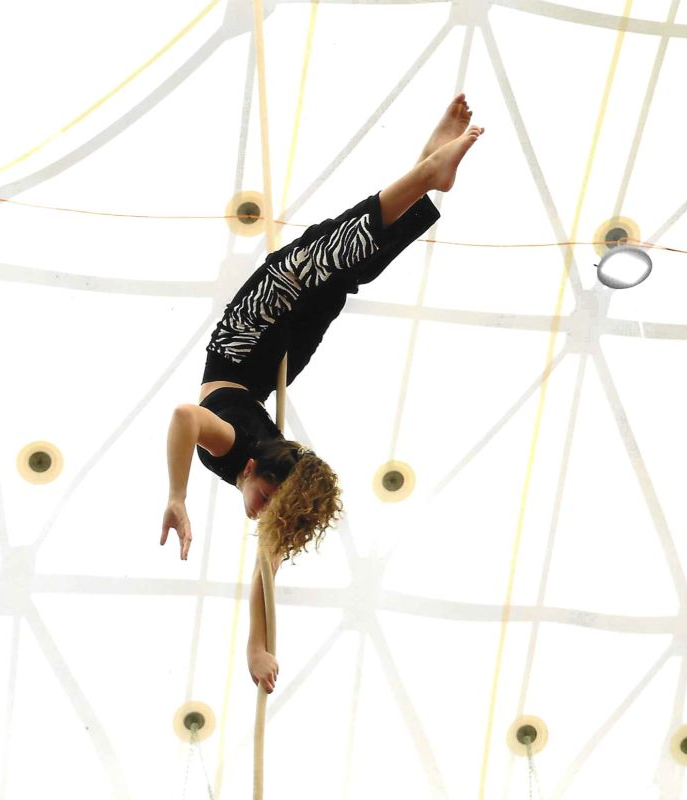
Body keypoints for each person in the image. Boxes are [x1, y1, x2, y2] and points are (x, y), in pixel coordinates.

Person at [162, 94, 484, 693]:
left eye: (266, 507)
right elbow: (185, 417)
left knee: (335, 266)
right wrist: (178, 496)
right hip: (254, 340)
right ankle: (427, 172)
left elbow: (262, 569)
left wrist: (256, 648)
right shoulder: (237, 451)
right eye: (268, 501)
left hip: (259, 355)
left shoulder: (254, 465)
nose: (261, 513)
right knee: (329, 266)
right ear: (255, 468)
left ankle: (428, 171)